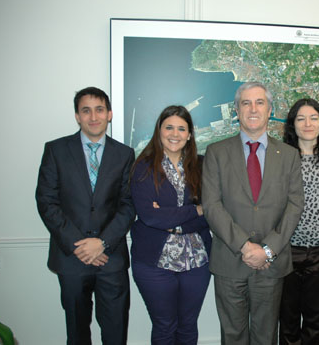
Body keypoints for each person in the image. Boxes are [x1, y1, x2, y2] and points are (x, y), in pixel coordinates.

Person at [202, 82, 304, 345]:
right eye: (245, 103)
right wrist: (246, 247)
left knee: (266, 336)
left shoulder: (290, 155)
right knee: (233, 336)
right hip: (230, 261)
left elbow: (295, 206)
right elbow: (212, 206)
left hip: (271, 264)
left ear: (270, 110)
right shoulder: (216, 152)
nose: (253, 108)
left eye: (259, 102)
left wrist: (267, 250)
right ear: (237, 110)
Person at [36, 87, 135, 345]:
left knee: (116, 332)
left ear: (109, 114)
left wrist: (102, 243)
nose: (93, 116)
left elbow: (128, 205)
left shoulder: (124, 154)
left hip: (110, 259)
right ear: (77, 116)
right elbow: (46, 202)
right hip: (71, 258)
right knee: (77, 333)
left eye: (99, 109)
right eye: (86, 110)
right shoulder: (56, 150)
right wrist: (79, 246)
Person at [129, 105, 212, 345]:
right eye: (169, 127)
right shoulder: (143, 167)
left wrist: (174, 220)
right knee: (165, 327)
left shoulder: (203, 165)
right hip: (154, 263)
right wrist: (195, 208)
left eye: (181, 128)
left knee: (188, 326)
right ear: (159, 131)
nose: (174, 134)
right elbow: (150, 217)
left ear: (189, 134)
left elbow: (213, 211)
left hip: (197, 261)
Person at [279, 98, 319, 344]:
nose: (307, 123)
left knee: (315, 319)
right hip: (287, 250)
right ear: (292, 125)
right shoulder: (282, 159)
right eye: (301, 118)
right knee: (287, 319)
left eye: (313, 118)